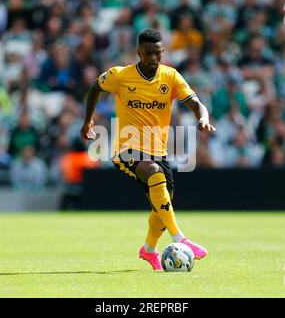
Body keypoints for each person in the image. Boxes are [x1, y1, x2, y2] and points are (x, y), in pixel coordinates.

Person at [80, 29, 216, 271]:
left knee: (162, 205)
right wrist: (88, 120)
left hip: (158, 150)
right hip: (127, 148)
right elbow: (95, 87)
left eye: (158, 53)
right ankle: (180, 238)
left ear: (163, 52)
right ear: (138, 53)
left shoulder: (170, 77)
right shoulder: (120, 75)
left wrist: (203, 117)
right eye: (148, 53)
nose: (153, 58)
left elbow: (195, 103)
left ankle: (149, 250)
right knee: (154, 174)